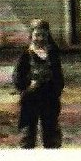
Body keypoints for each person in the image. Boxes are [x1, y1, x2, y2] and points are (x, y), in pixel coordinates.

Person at [11, 19, 64, 148]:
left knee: (51, 133)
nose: (40, 38)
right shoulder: (26, 55)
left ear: (48, 36)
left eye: (43, 35)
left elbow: (59, 78)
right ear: (31, 36)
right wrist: (28, 85)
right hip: (30, 98)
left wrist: (54, 90)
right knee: (27, 134)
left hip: (49, 98)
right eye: (37, 35)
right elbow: (17, 77)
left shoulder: (52, 55)